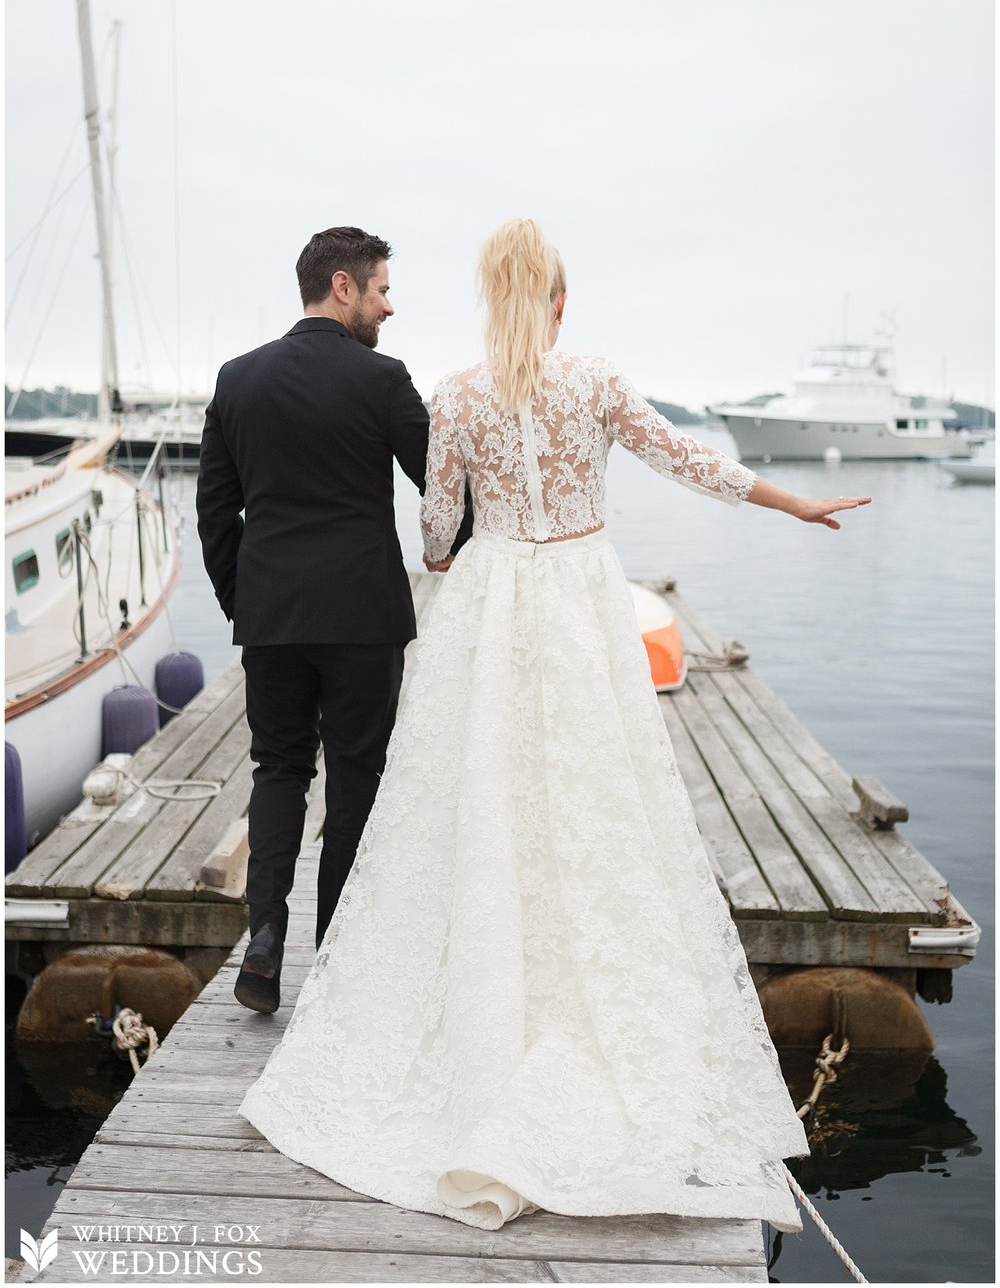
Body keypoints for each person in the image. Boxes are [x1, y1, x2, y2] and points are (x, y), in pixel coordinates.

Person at [237, 219, 872, 1233]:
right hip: (579, 595)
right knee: (594, 794)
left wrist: (456, 557)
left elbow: (437, 530)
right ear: (561, 301)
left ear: (493, 301)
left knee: (480, 794)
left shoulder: (453, 393)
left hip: (491, 603)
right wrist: (791, 504)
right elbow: (686, 460)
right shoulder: (596, 381)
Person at [196, 225, 470, 1013]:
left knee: (279, 769)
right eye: (381, 288)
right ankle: (337, 959)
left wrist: (247, 602)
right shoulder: (381, 379)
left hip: (273, 617)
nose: (390, 304)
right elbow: (438, 490)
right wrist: (474, 543)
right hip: (362, 617)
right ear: (342, 287)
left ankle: (264, 943)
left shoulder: (237, 379)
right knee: (356, 775)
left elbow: (216, 512)